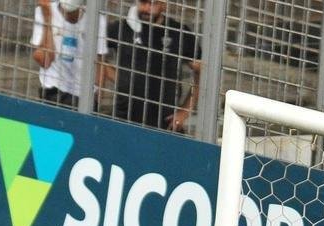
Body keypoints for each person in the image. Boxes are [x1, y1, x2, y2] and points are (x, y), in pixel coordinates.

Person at [105, 0, 201, 133]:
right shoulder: (122, 27)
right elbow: (95, 54)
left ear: (164, 4)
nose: (147, 8)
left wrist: (185, 111)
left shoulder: (178, 32)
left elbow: (202, 72)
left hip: (165, 124)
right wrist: (119, 78)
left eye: (153, 3)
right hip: (124, 119)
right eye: (143, 2)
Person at [31, 0, 109, 110]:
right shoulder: (44, 11)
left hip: (83, 96)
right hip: (53, 92)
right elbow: (45, 61)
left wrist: (96, 99)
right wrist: (48, 20)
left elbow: (100, 63)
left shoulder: (97, 20)